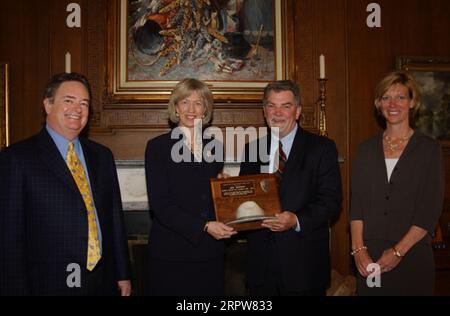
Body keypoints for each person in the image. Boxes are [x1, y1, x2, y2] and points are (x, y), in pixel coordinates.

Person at [0, 72, 131, 296]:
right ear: (48, 105)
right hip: (47, 283)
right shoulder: (17, 158)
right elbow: (8, 238)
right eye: (68, 101)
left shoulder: (102, 156)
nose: (77, 109)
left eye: (84, 103)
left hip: (102, 280)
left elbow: (114, 219)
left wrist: (123, 273)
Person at [239, 80, 343, 295]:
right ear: (264, 111)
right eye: (271, 105)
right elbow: (245, 201)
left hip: (304, 267)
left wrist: (295, 220)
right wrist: (227, 190)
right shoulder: (251, 149)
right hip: (261, 267)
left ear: (297, 111)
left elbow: (331, 201)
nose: (277, 113)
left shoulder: (322, 148)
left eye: (285, 106)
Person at [349, 71, 444, 296]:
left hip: (412, 255)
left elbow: (429, 210)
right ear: (378, 104)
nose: (393, 104)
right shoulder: (365, 150)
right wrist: (358, 251)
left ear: (413, 102)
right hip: (369, 258)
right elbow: (357, 205)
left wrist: (398, 252)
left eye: (400, 97)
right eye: (385, 97)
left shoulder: (429, 150)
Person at [144, 78, 237, 296]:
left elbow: (205, 194)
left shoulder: (215, 147)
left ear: (206, 110)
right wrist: (204, 226)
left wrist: (223, 188)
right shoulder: (157, 147)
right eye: (185, 102)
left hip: (210, 252)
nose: (191, 109)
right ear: (176, 107)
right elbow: (160, 205)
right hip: (172, 253)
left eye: (198, 103)